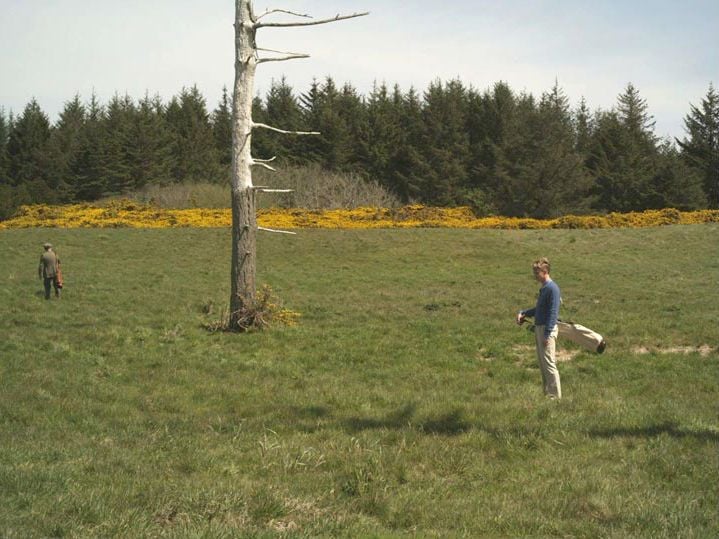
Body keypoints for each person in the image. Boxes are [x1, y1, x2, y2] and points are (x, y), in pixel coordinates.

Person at [516, 258, 562, 399]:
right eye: (534, 272)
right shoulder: (544, 288)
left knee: (549, 363)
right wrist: (524, 313)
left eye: (537, 273)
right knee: (543, 364)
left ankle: (555, 397)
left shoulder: (552, 288)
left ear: (545, 271)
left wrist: (547, 334)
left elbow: (553, 313)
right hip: (539, 328)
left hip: (546, 330)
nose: (535, 276)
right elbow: (540, 309)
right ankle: (548, 394)